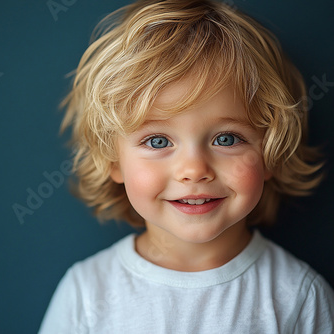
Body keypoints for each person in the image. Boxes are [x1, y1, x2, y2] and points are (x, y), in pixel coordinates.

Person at [39, 0, 334, 332]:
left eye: (226, 139)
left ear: (270, 152)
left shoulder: (298, 297)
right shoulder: (87, 293)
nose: (194, 170)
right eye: (158, 142)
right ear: (113, 161)